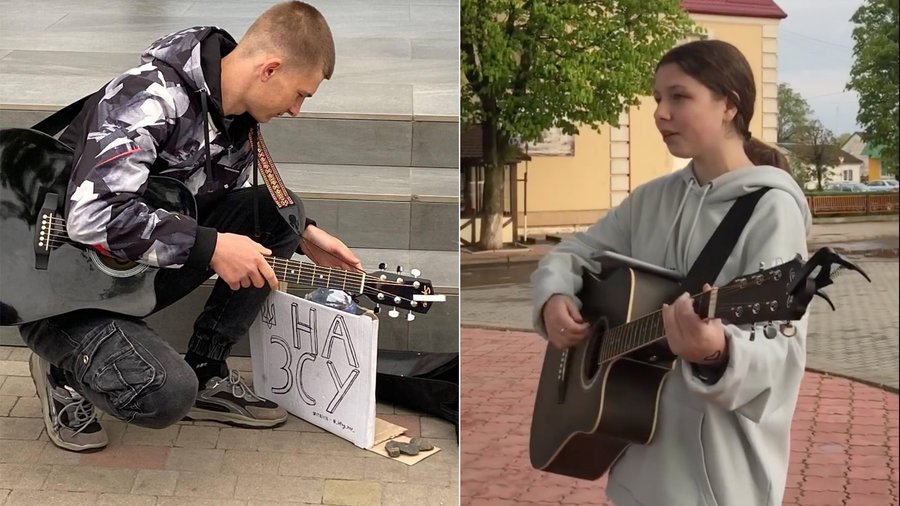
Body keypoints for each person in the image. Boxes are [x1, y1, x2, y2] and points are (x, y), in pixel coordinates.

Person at [22, 1, 362, 452]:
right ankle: (62, 365)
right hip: (54, 280)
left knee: (282, 213)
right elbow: (92, 214)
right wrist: (210, 247)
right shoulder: (153, 98)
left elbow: (210, 205)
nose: (297, 109)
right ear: (270, 69)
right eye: (300, 93)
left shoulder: (236, 122)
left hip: (125, 269)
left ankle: (207, 369)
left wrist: (303, 231)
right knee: (164, 395)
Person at [531, 39, 811, 506]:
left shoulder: (772, 210)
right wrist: (553, 296)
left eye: (679, 97)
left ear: (728, 106)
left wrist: (718, 353)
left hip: (713, 479)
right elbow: (575, 251)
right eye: (658, 98)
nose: (660, 112)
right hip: (633, 462)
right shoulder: (651, 199)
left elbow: (782, 353)